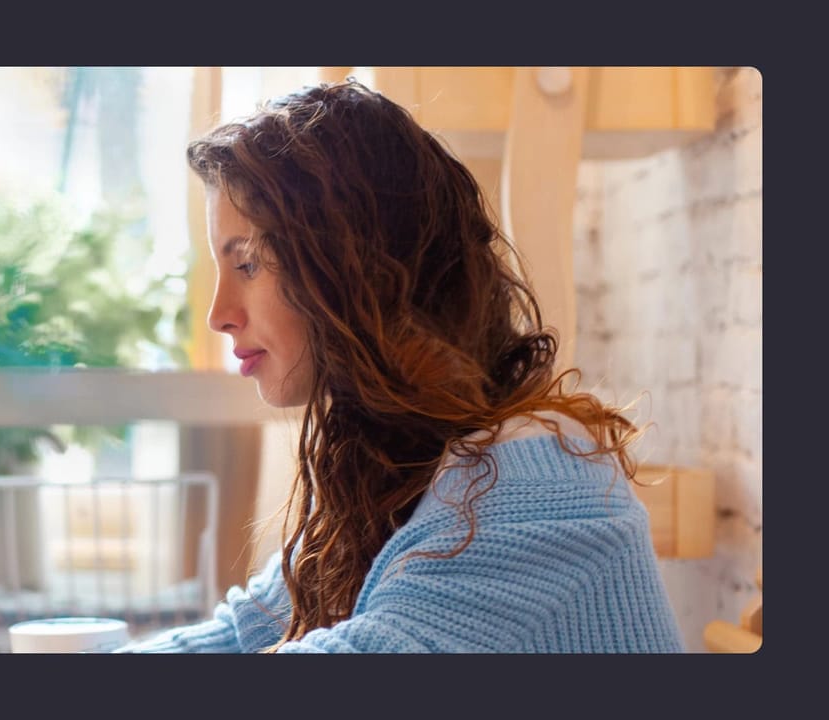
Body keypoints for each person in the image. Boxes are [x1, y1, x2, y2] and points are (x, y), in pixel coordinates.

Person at [112, 79, 685, 653]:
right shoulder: (394, 464)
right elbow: (242, 635)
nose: (219, 315)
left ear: (355, 267)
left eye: (250, 265)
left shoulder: (539, 487)